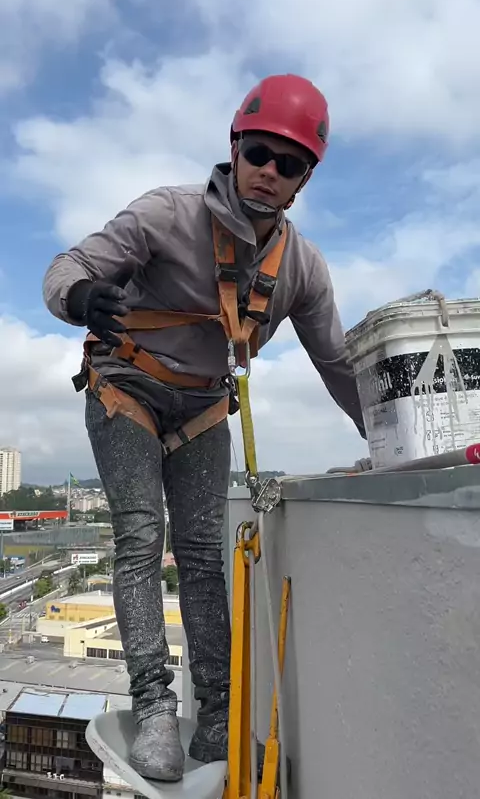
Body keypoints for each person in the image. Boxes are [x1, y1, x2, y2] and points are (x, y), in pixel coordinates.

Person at [43, 73, 366, 783]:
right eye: (260, 153)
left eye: (290, 164)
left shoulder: (301, 268)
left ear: (304, 180)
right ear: (235, 147)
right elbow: (67, 267)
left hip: (202, 408)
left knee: (201, 552)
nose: (270, 171)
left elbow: (338, 365)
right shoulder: (167, 214)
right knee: (140, 538)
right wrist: (82, 295)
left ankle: (217, 714)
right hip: (125, 386)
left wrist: (388, 439)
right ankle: (155, 709)